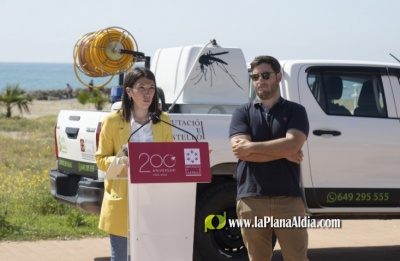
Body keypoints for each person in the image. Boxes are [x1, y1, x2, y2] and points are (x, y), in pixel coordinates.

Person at [229, 55, 309, 261]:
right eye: (255, 76)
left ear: (278, 76)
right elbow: (240, 151)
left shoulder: (295, 110)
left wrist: (253, 149)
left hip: (288, 200)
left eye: (265, 75)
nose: (260, 80)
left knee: (297, 258)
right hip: (251, 199)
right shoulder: (242, 113)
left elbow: (293, 144)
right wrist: (284, 152)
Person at [95, 67, 173, 261]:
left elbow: (170, 157)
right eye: (141, 88)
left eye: (151, 88)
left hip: (152, 200)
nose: (147, 93)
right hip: (123, 198)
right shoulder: (113, 121)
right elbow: (101, 159)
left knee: (148, 256)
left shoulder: (163, 120)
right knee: (120, 257)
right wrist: (122, 161)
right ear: (129, 92)